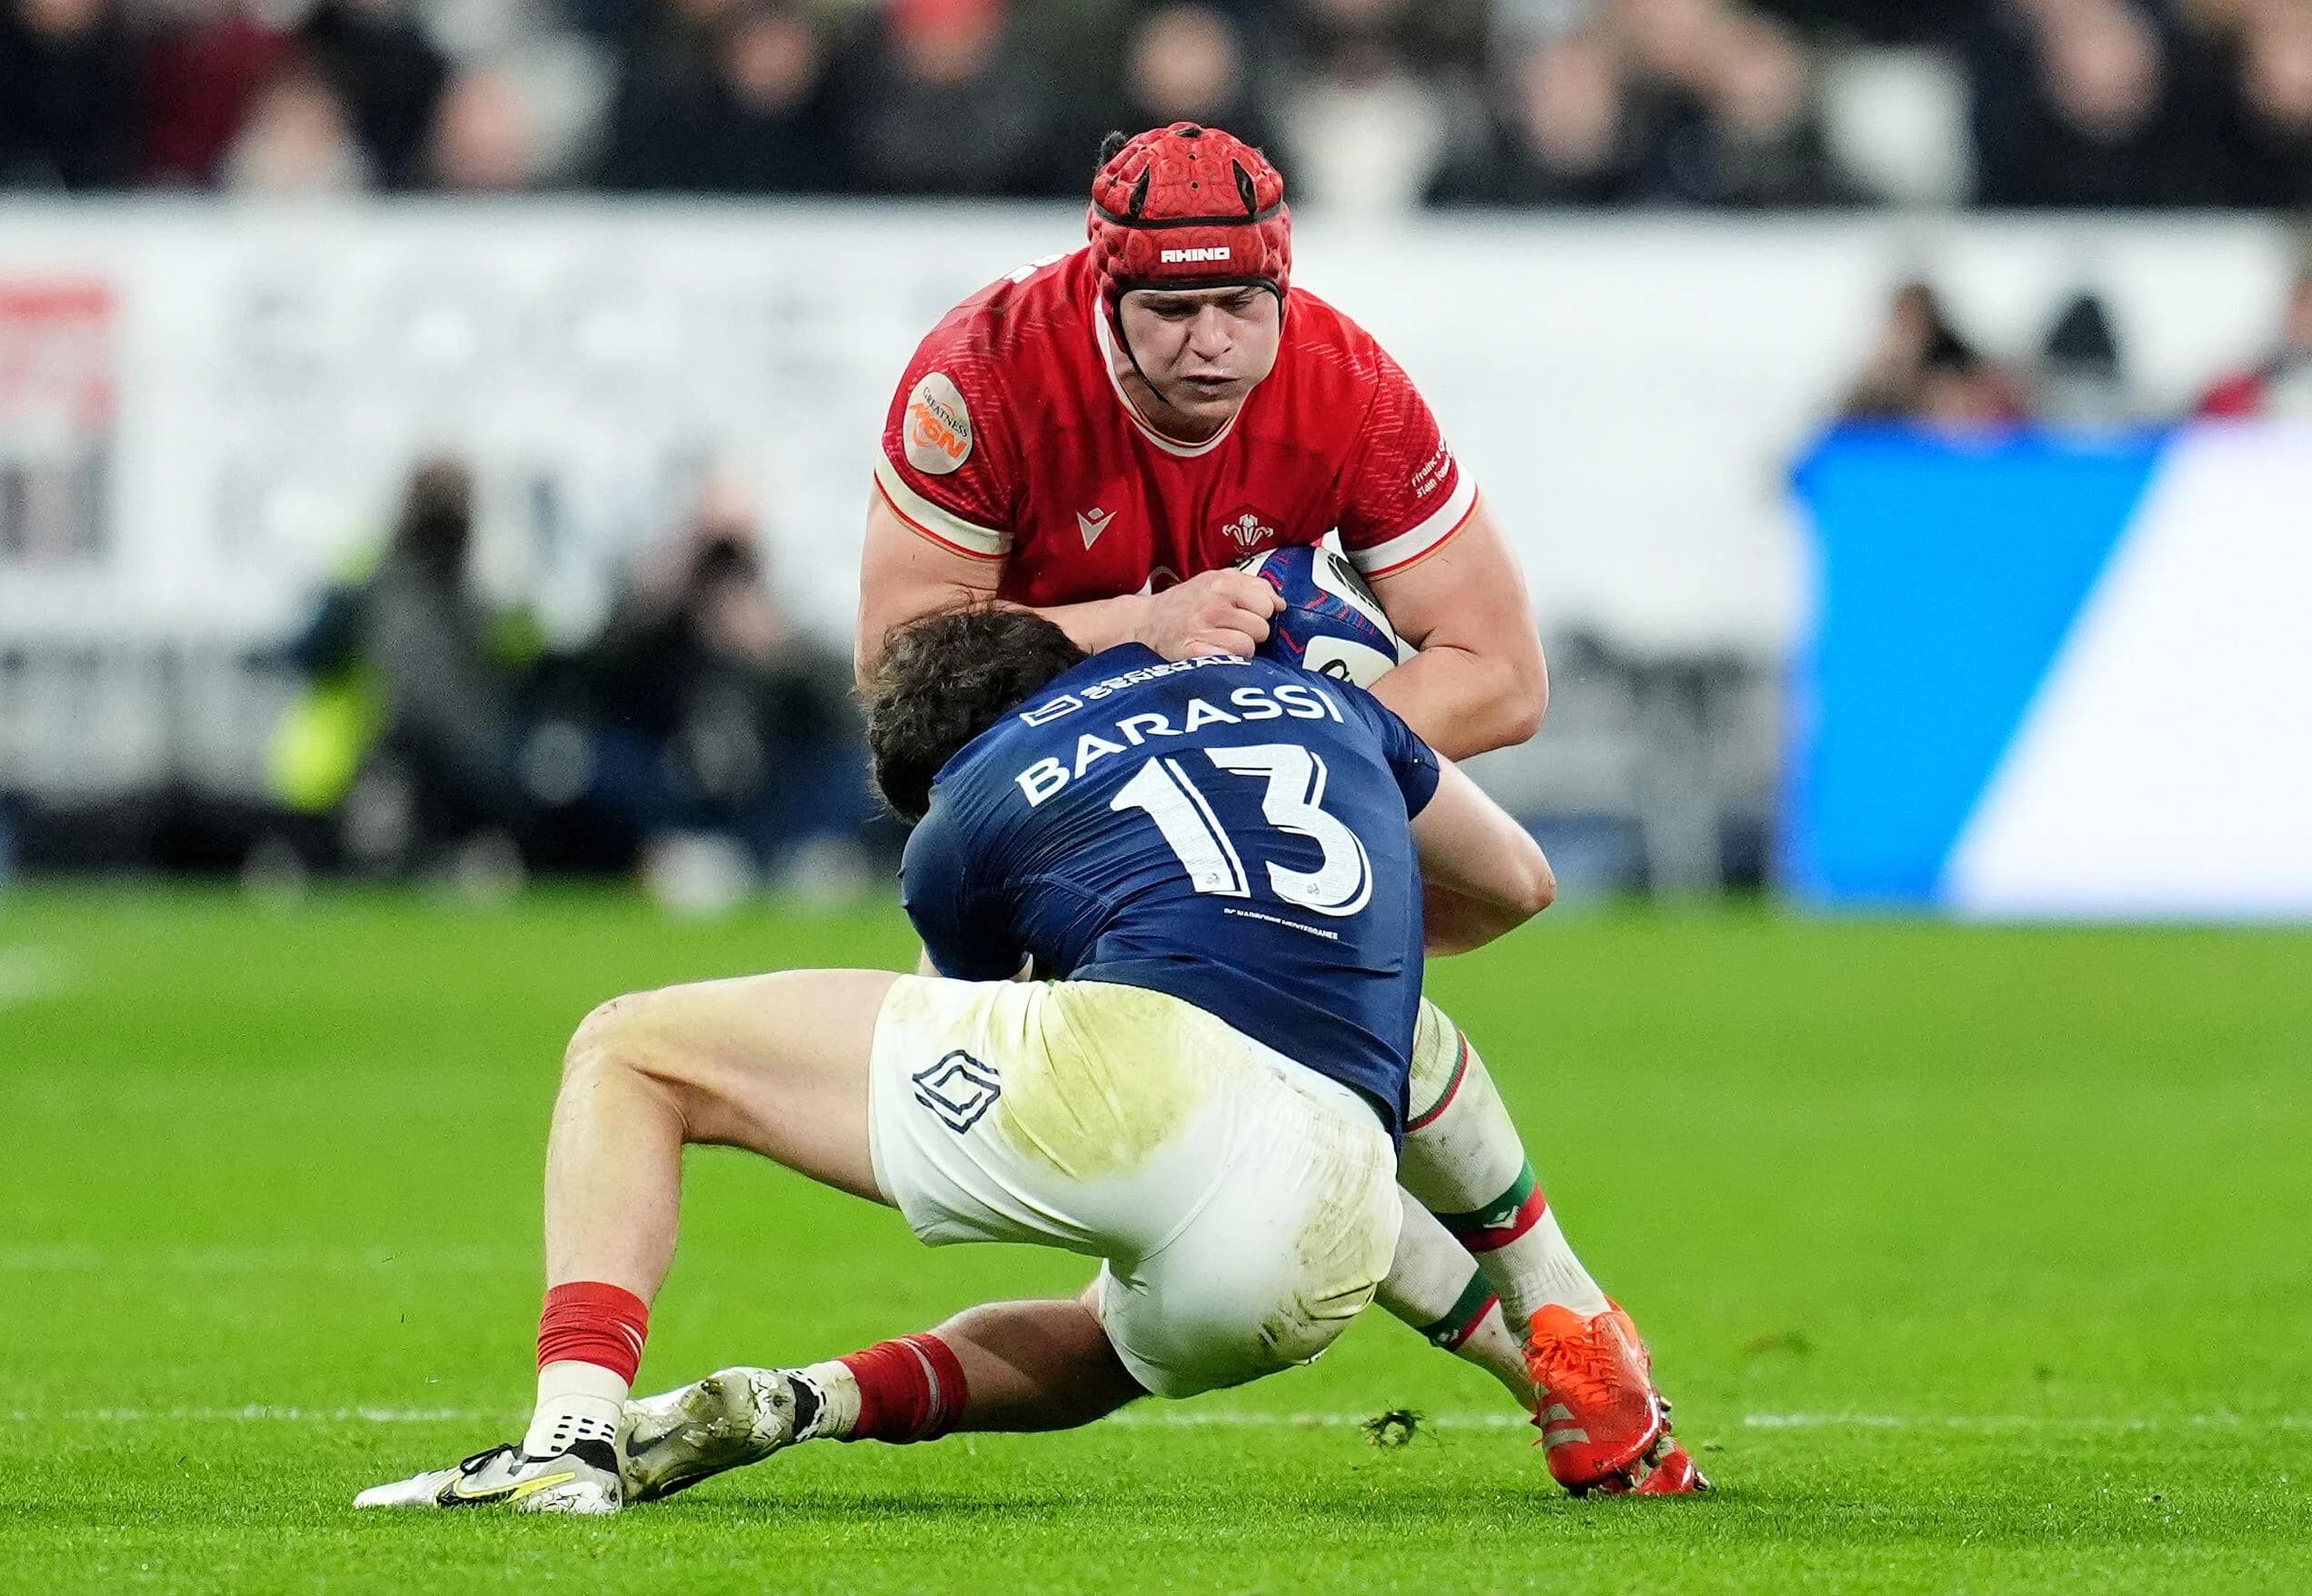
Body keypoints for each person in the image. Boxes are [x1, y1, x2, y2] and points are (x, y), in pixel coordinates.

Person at [354, 604, 1660, 1514]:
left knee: (633, 1051)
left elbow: (975, 1014)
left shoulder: (974, 799)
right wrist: (1331, 943)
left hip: (1140, 1080)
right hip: (1324, 1225)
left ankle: (568, 1443)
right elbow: (1518, 883)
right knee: (1138, 1316)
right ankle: (1567, 1337)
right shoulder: (1320, 700)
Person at [845, 121, 1699, 1495]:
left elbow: (1501, 674)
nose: (1210, 345)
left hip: (1281, 749)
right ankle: (1560, 1325)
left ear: (1283, 291)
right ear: (1100, 291)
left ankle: (1550, 1328)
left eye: (1241, 305)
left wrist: (1284, 724)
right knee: (1284, 1092)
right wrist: (1148, 633)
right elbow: (903, 680)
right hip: (1054, 797)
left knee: (1511, 889)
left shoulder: (1345, 385)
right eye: (1172, 310)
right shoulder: (983, 377)